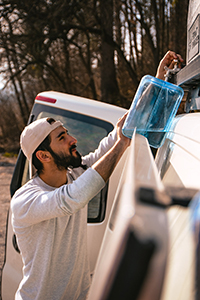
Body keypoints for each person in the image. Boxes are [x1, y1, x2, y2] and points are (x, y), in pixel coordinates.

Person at [11, 50, 183, 300]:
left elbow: (119, 133)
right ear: (44, 156)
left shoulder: (74, 173)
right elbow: (71, 199)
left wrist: (157, 81)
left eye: (67, 132)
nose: (73, 139)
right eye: (62, 138)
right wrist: (121, 144)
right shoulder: (25, 201)